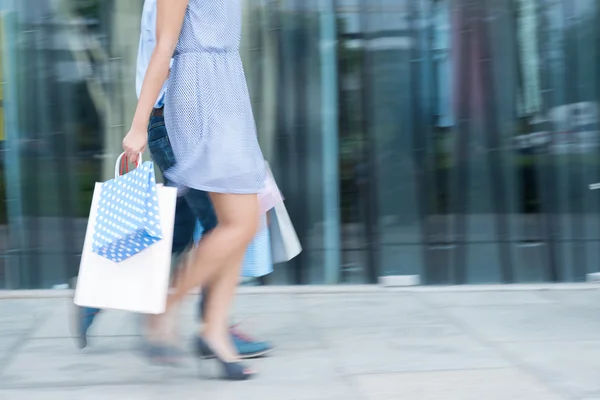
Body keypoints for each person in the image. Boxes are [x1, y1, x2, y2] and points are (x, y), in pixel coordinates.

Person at [73, 0, 272, 363]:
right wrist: (138, 126)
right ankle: (188, 317)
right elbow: (163, 49)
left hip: (224, 101)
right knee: (227, 224)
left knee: (199, 227)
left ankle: (193, 320)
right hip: (188, 109)